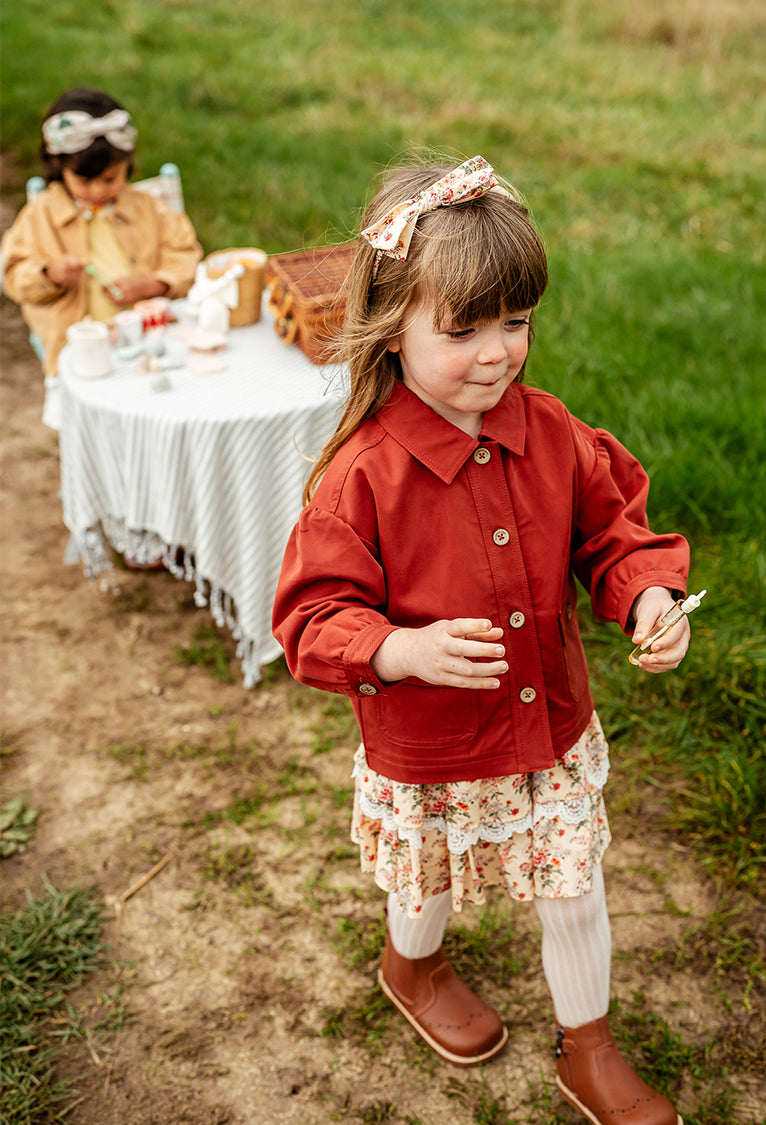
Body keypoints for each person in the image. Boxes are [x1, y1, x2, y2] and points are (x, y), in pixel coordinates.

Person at [272, 155, 691, 1125]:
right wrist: (398, 650)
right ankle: (412, 965)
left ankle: (587, 1046)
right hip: (433, 747)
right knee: (425, 881)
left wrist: (646, 597)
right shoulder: (361, 477)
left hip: (549, 729)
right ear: (393, 328)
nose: (498, 353)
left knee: (573, 885)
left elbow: (613, 532)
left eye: (516, 321)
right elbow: (313, 616)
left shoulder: (552, 432)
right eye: (462, 330)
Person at [1, 88, 202, 428]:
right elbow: (14, 273)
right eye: (84, 180)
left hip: (152, 345)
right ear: (58, 167)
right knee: (92, 429)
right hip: (79, 354)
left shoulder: (148, 208)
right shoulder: (39, 217)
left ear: (127, 165)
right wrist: (49, 274)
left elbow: (185, 254)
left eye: (110, 179)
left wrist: (154, 285)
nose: (97, 190)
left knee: (162, 419)